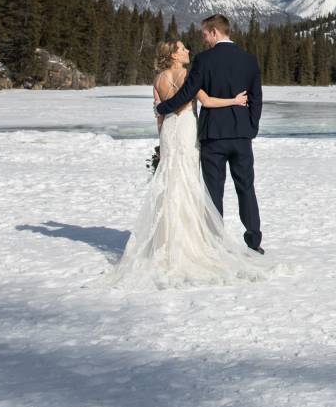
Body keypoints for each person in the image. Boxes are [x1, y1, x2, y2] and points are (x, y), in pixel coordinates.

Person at [109, 39, 266, 288]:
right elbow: (208, 101)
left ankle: (166, 240)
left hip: (169, 133)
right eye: (182, 49)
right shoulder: (189, 75)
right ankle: (192, 240)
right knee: (188, 182)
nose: (187, 51)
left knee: (170, 183)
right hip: (186, 131)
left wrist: (161, 143)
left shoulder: (157, 80)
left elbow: (159, 115)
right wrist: (235, 101)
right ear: (172, 55)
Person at [153, 14, 265, 254]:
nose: (202, 40)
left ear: (215, 32)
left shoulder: (204, 60)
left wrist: (162, 108)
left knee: (214, 190)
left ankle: (215, 242)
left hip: (213, 135)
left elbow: (187, 93)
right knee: (246, 187)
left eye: (204, 34)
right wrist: (251, 127)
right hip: (241, 135)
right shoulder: (249, 60)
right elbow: (256, 98)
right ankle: (254, 242)